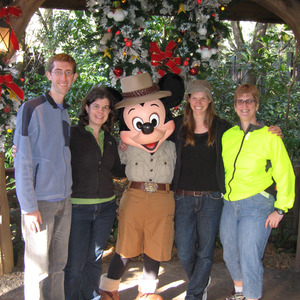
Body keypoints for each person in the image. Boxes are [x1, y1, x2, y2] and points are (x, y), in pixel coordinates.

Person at [98, 72, 184, 300]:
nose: (147, 126)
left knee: (156, 248)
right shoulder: (127, 144)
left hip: (163, 199)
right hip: (134, 196)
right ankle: (109, 289)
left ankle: (146, 293)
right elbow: (113, 165)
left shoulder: (173, 143)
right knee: (125, 247)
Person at [220, 84, 295, 300]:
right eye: (240, 101)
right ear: (234, 106)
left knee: (249, 256)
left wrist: (281, 209)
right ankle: (240, 293)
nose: (244, 105)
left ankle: (253, 297)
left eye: (249, 101)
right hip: (230, 203)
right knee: (229, 254)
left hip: (257, 204)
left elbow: (285, 173)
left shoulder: (270, 136)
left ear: (257, 105)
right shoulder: (228, 135)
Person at [13, 53, 78, 300]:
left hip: (65, 200)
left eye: (68, 72)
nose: (63, 77)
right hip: (40, 203)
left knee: (58, 267)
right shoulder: (31, 108)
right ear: (49, 75)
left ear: (73, 77)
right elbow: (23, 159)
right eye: (58, 72)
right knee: (37, 270)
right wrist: (28, 208)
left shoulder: (64, 112)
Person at [171, 80, 231, 300]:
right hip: (183, 197)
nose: (198, 102)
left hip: (212, 198)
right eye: (194, 97)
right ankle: (201, 280)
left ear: (210, 100)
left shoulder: (222, 126)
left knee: (205, 252)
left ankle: (195, 294)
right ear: (188, 99)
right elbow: (152, 138)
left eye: (203, 97)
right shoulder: (176, 125)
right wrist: (124, 142)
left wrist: (268, 130)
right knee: (185, 252)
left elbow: (246, 138)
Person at [64, 86, 126, 300]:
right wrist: (22, 149)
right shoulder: (72, 134)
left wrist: (132, 151)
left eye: (106, 108)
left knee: (95, 259)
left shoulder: (109, 139)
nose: (101, 111)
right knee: (75, 263)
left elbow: (118, 171)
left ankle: (92, 297)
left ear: (110, 113)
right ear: (87, 108)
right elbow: (51, 152)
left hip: (106, 209)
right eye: (96, 106)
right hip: (79, 208)